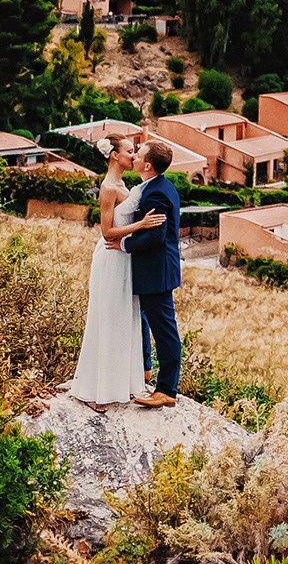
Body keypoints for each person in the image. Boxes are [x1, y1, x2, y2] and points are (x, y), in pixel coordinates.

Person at [64, 135, 166, 411]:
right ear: (114, 156)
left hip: (124, 258)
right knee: (107, 319)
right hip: (110, 257)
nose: (133, 156)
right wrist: (142, 225)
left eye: (134, 152)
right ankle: (95, 390)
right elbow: (106, 231)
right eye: (129, 152)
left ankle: (121, 384)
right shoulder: (108, 187)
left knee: (125, 318)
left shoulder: (124, 184)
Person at [124, 137, 185, 407]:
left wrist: (123, 244)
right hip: (156, 270)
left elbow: (156, 237)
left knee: (165, 331)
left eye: (138, 154)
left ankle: (167, 391)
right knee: (148, 321)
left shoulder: (156, 192)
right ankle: (147, 369)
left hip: (156, 272)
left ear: (147, 165)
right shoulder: (158, 186)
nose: (134, 155)